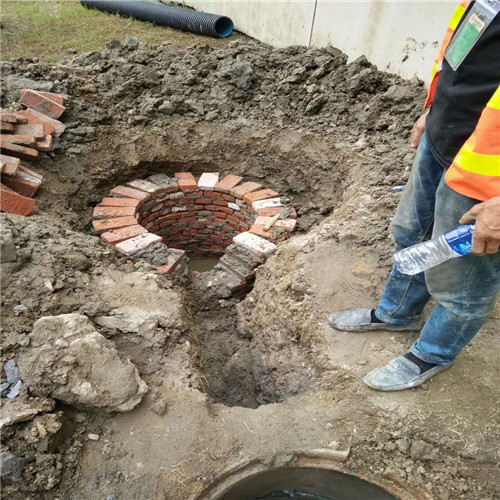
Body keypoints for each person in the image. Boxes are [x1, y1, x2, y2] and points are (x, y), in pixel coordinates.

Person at [328, 0, 500, 391]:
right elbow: (464, 52)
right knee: (413, 235)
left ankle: (432, 353)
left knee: (462, 281)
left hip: (489, 181)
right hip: (445, 135)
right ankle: (395, 313)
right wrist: (434, 108)